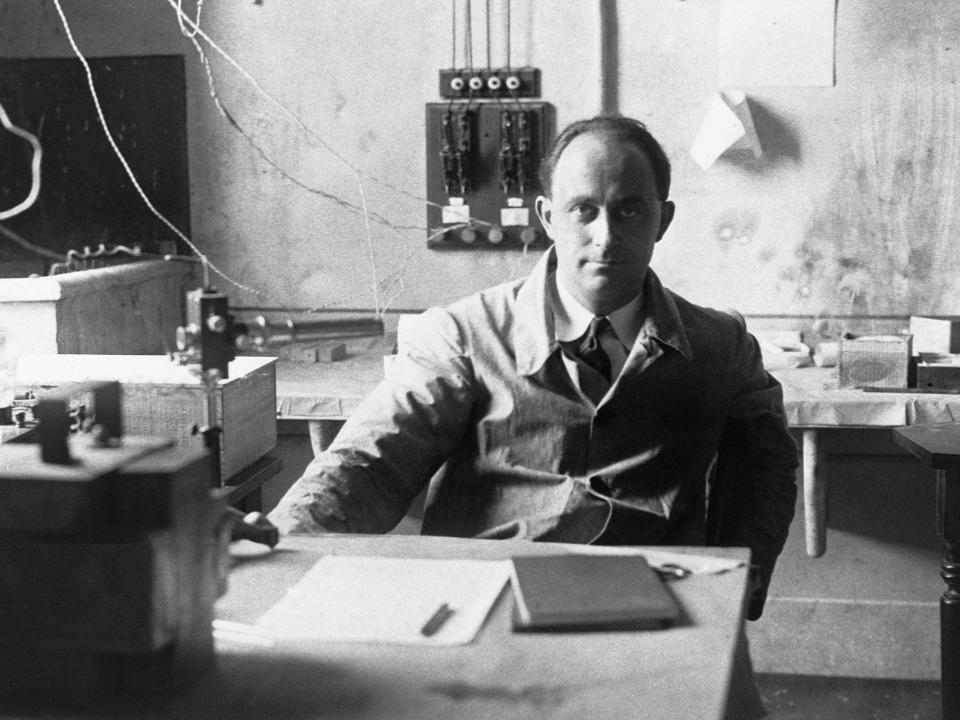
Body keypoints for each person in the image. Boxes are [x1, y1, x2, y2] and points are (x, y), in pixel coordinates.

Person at [269, 115, 798, 623]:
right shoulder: (464, 333)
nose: (606, 236)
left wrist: (736, 583)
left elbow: (765, 465)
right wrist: (281, 540)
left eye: (630, 211)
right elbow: (371, 462)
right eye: (583, 210)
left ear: (664, 219)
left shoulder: (720, 345)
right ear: (548, 218)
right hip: (486, 603)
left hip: (653, 606)